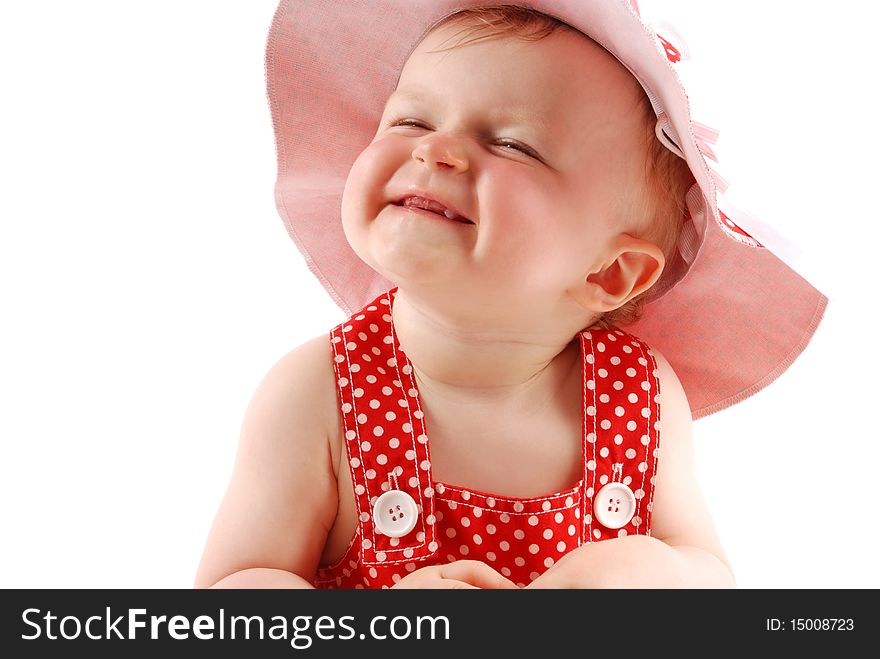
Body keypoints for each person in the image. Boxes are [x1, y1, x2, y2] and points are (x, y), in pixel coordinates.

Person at [193, 0, 827, 589]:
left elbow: (710, 579)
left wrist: (636, 571)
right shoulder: (318, 392)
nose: (435, 149)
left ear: (611, 274)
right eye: (411, 119)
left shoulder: (642, 397)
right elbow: (233, 591)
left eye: (512, 145)